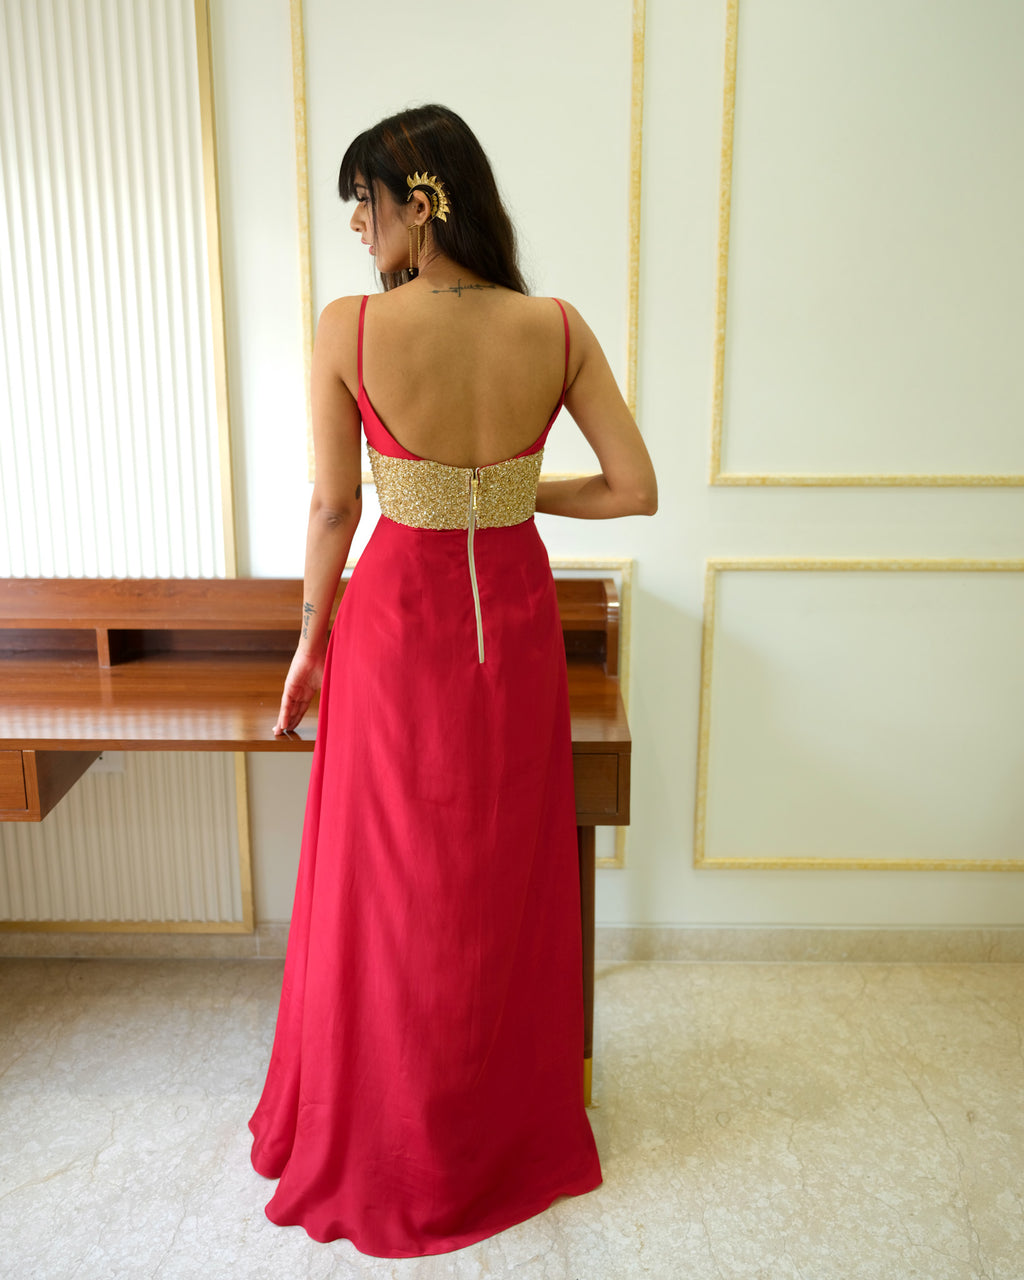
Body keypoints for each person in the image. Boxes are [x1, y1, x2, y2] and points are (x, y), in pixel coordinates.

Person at [248, 104, 657, 1258]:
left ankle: (387, 1128)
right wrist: (514, 490)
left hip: (394, 626)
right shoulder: (557, 325)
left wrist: (305, 648)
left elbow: (335, 507)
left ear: (419, 204)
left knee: (388, 882)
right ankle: (497, 1127)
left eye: (366, 209)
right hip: (512, 625)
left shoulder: (353, 327)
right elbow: (634, 488)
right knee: (496, 873)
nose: (360, 234)